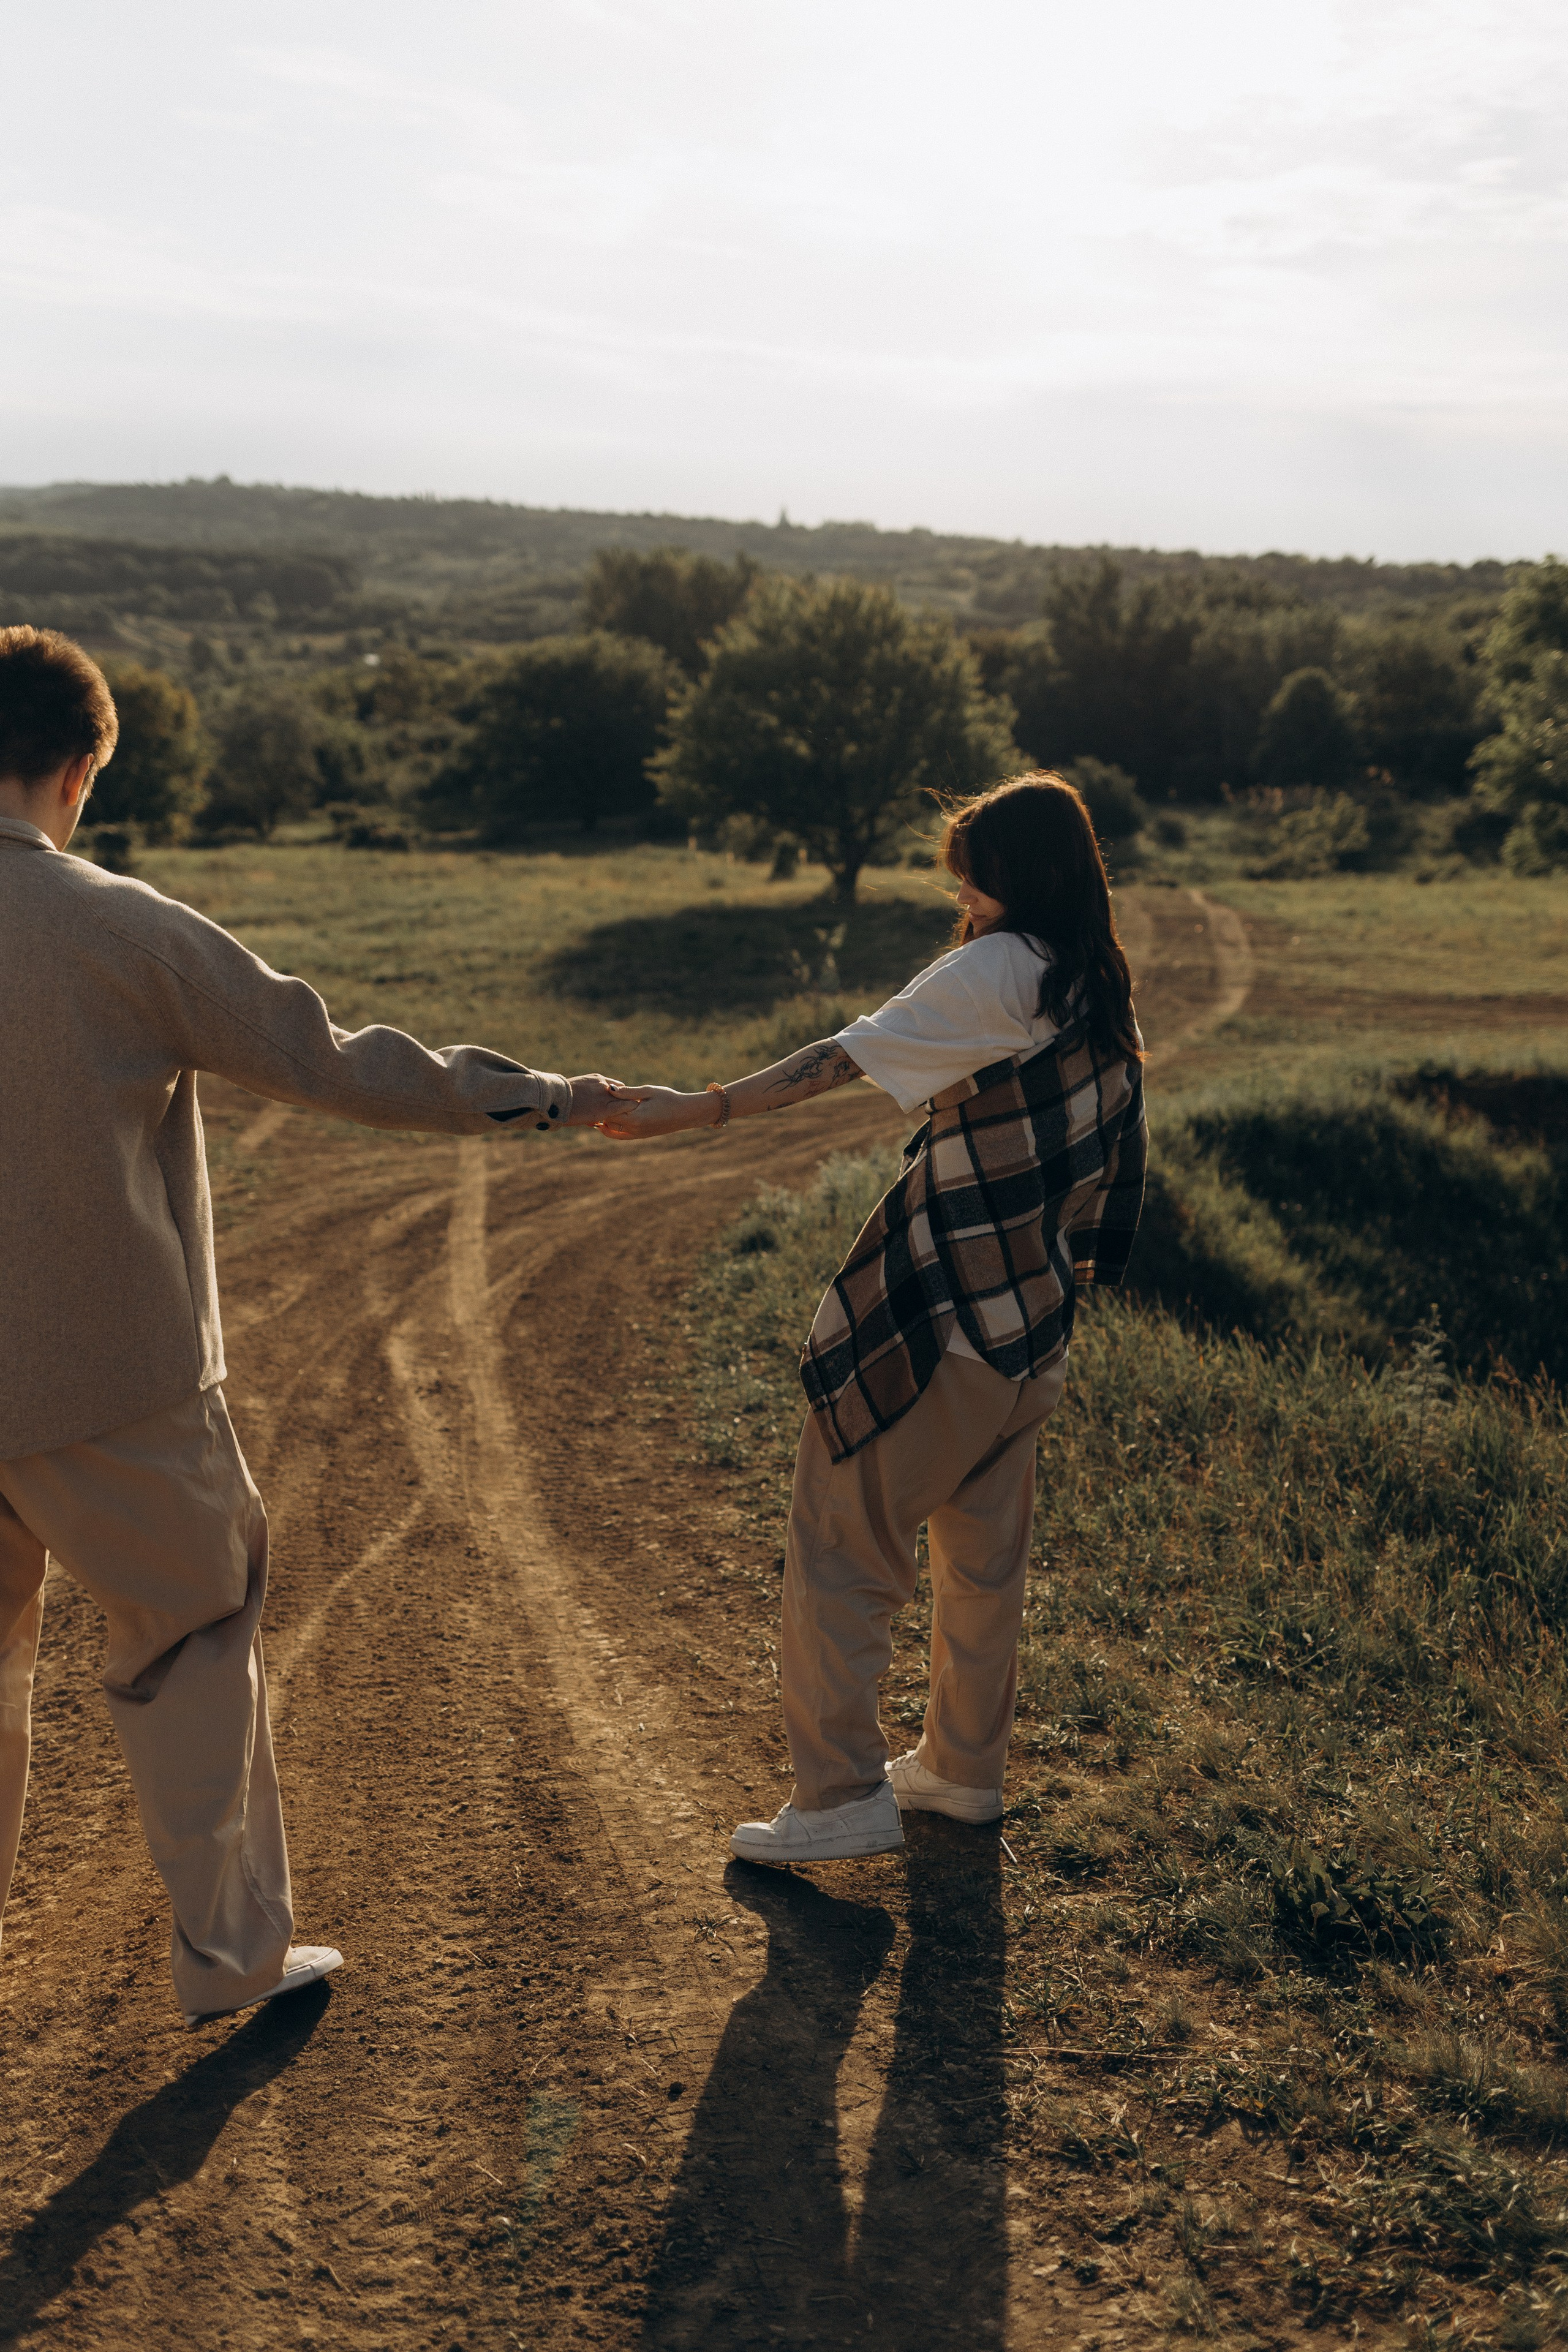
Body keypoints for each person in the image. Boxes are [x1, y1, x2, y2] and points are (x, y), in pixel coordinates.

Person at [0, 627, 636, 2026]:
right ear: (82, 770)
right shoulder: (119, 925)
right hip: (111, 1383)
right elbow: (330, 1061)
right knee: (191, 1645)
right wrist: (545, 1097)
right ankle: (231, 1960)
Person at [601, 774, 1146, 1861]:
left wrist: (705, 1107)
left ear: (1023, 876)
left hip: (945, 1323)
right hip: (1032, 1330)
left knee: (840, 1549)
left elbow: (844, 1058)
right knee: (983, 1568)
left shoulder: (999, 968)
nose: (965, 898)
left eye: (977, 879)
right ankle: (960, 1771)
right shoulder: (1101, 988)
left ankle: (843, 1795)